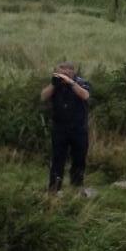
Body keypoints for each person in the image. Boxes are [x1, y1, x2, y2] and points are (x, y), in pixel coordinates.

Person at [40, 61, 92, 192]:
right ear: (57, 70)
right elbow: (43, 96)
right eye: (62, 68)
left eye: (69, 69)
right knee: (58, 159)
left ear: (73, 71)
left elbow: (85, 95)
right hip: (59, 128)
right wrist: (53, 84)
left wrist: (71, 83)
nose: (66, 71)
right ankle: (54, 188)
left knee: (79, 159)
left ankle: (77, 187)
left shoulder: (80, 82)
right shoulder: (55, 83)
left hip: (79, 128)